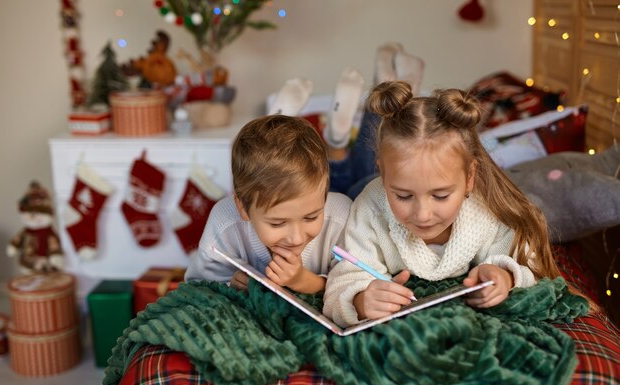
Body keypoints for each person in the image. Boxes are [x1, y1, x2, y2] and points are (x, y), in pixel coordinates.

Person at [323, 81, 561, 327]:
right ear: (384, 177)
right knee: (345, 183)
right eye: (404, 196)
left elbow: (526, 262)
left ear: (470, 178)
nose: (423, 215)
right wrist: (361, 300)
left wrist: (505, 276)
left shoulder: (484, 210)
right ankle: (339, 143)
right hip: (364, 186)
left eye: (440, 196)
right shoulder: (371, 205)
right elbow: (343, 279)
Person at [185, 115, 352, 294]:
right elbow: (197, 288)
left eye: (311, 217)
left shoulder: (342, 217)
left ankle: (338, 140)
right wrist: (229, 287)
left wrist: (302, 281)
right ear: (243, 208)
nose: (296, 238)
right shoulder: (225, 223)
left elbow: (355, 288)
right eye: (277, 223)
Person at [267, 43, 425, 199]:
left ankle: (277, 134)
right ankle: (388, 91)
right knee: (368, 179)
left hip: (317, 189)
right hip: (355, 189)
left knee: (352, 183)